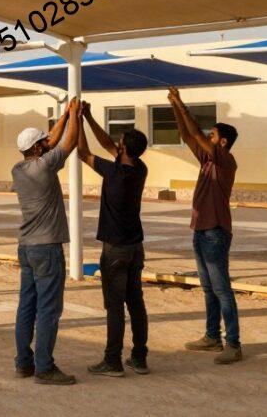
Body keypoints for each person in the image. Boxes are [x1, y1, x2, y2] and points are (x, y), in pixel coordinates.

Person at [167, 86, 243, 364]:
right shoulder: (208, 160)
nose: (208, 138)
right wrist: (174, 107)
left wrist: (181, 103)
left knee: (222, 288)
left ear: (222, 142)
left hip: (215, 232)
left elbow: (197, 134)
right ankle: (212, 336)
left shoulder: (225, 159)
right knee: (209, 287)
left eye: (213, 135)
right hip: (201, 230)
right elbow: (188, 136)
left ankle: (233, 343)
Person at [77, 102, 150, 377]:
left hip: (115, 249)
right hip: (135, 246)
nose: (115, 146)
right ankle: (139, 358)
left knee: (115, 305)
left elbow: (84, 153)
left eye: (118, 145)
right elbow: (109, 145)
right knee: (136, 301)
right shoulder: (139, 168)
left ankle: (112, 361)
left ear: (122, 150)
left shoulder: (114, 172)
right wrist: (91, 117)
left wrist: (79, 120)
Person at [12, 97, 80, 386]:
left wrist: (63, 116)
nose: (47, 143)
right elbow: (69, 142)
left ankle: (23, 363)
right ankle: (44, 367)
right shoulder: (45, 166)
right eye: (43, 142)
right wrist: (75, 115)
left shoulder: (18, 169)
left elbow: (51, 141)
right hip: (47, 248)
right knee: (49, 308)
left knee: (27, 305)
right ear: (38, 148)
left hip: (26, 247)